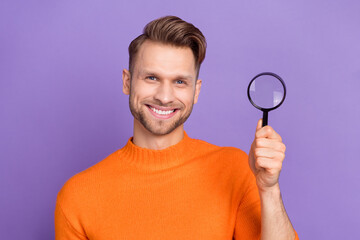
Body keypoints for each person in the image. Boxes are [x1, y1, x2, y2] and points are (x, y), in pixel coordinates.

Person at [55, 16, 299, 240]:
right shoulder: (78, 197)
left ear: (196, 91)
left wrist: (269, 189)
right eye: (152, 78)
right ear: (127, 82)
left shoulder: (236, 169)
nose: (164, 96)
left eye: (180, 82)